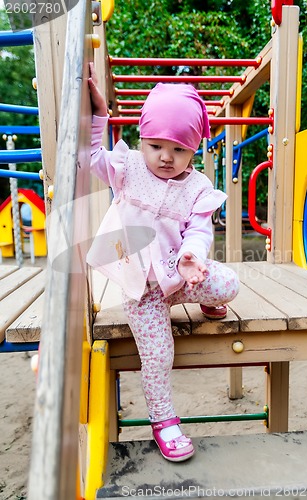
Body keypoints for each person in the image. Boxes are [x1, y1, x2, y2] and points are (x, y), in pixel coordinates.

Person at [87, 63, 240, 462]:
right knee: (158, 354)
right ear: (142, 138)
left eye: (179, 149)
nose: (166, 158)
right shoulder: (127, 170)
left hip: (179, 276)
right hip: (143, 289)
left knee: (229, 284)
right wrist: (99, 116)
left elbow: (201, 230)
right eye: (156, 146)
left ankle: (205, 301)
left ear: (195, 148)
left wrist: (194, 257)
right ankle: (163, 420)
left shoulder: (198, 186)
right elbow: (88, 157)